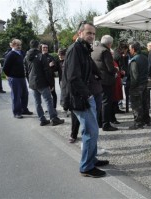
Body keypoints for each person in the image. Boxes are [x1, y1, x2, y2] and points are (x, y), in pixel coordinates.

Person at [61, 21, 108, 178]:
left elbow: (88, 68)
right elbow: (73, 77)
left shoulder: (84, 49)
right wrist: (87, 94)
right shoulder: (75, 49)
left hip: (85, 95)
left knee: (92, 130)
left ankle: (92, 160)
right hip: (79, 97)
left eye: (93, 33)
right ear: (80, 33)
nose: (92, 36)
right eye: (89, 33)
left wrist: (97, 76)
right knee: (90, 131)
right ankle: (86, 167)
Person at [24, 40, 64, 126]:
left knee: (37, 102)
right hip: (42, 83)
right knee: (48, 100)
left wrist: (29, 82)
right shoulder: (41, 56)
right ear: (38, 46)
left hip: (33, 83)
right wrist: (51, 84)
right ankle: (53, 118)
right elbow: (47, 71)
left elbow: (26, 71)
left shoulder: (26, 57)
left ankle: (42, 119)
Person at [92, 35, 118, 131]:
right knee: (106, 103)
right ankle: (106, 124)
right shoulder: (105, 51)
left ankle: (99, 122)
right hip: (106, 80)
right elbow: (110, 69)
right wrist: (116, 69)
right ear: (110, 44)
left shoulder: (95, 49)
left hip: (97, 80)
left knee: (99, 102)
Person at [3, 39, 33, 118]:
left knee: (25, 94)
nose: (19, 46)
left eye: (20, 45)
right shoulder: (11, 54)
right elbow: (5, 68)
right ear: (13, 45)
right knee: (16, 95)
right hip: (14, 78)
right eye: (17, 45)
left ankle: (24, 110)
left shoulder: (22, 53)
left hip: (22, 77)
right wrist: (10, 76)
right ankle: (17, 112)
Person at [128, 41, 150, 130]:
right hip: (145, 84)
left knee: (136, 105)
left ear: (133, 49)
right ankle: (146, 120)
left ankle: (138, 123)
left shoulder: (134, 60)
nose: (129, 51)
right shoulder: (145, 57)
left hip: (137, 86)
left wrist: (132, 87)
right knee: (145, 104)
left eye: (130, 49)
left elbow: (134, 76)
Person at [41, 43, 60, 109]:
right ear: (41, 48)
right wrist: (48, 66)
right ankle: (49, 108)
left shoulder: (51, 57)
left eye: (46, 47)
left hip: (51, 78)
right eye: (44, 47)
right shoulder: (39, 57)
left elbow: (55, 68)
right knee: (46, 94)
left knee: (53, 93)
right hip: (42, 78)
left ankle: (54, 108)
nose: (45, 49)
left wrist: (52, 66)